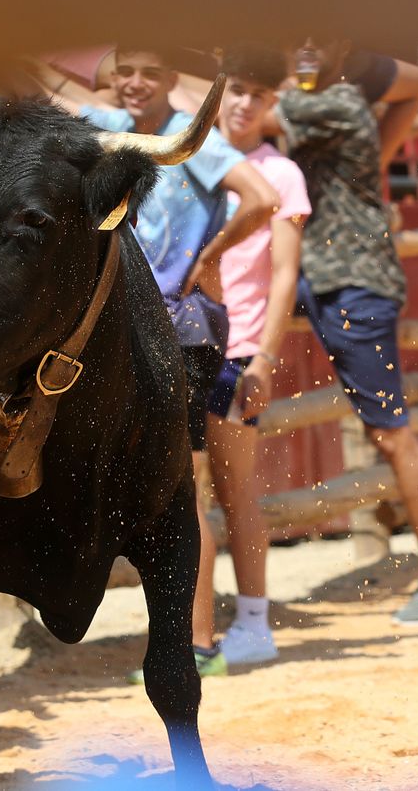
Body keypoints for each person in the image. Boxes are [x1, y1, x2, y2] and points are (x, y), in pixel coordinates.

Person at [55, 46, 281, 676]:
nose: (134, 84)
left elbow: (260, 198)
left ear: (170, 81)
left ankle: (197, 643)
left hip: (183, 334)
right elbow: (48, 101)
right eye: (124, 71)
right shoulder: (115, 132)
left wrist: (210, 256)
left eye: (149, 74)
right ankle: (188, 640)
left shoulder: (193, 141)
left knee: (184, 488)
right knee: (160, 486)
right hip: (138, 332)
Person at [256, 46, 418, 622]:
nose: (304, 43)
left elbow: (244, 114)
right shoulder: (331, 96)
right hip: (318, 274)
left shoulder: (337, 100)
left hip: (349, 281)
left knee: (391, 434)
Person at [188, 46, 311, 666]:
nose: (242, 103)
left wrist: (265, 356)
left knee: (234, 492)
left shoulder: (281, 174)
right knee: (185, 494)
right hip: (184, 341)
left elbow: (285, 273)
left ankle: (254, 626)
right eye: (235, 89)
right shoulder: (190, 155)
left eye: (257, 95)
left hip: (237, 351)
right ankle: (195, 634)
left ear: (272, 105)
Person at [284, 38, 418, 172]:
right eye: (299, 36)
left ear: (345, 47)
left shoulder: (344, 99)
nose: (307, 45)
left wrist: (371, 168)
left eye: (321, 36)